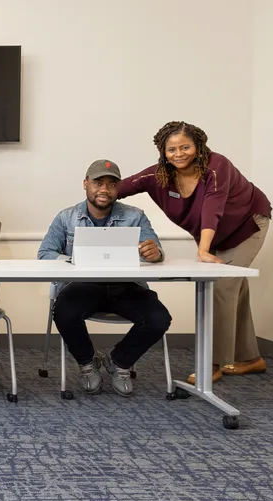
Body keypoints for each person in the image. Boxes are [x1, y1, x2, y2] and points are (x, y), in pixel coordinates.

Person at [119, 121, 272, 384]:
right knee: (236, 289)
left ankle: (210, 364)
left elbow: (212, 207)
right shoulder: (159, 175)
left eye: (185, 147)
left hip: (248, 225)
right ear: (163, 152)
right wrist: (96, 192)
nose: (179, 154)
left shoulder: (217, 166)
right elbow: (121, 187)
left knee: (222, 287)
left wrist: (202, 250)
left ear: (198, 146)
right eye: (171, 149)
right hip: (214, 236)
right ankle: (250, 358)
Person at [38, 160, 172, 396]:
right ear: (85, 184)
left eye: (112, 184)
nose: (104, 189)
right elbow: (45, 254)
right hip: (82, 286)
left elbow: (156, 251)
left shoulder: (135, 216)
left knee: (159, 318)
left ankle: (118, 362)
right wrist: (73, 261)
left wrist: (155, 253)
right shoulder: (66, 217)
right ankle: (88, 364)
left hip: (126, 287)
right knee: (64, 312)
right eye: (98, 183)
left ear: (117, 189)